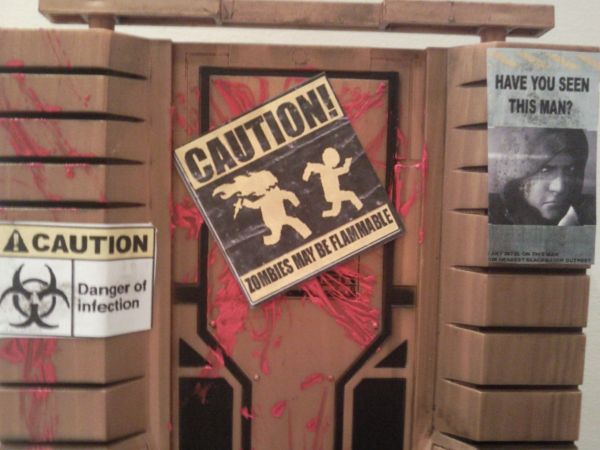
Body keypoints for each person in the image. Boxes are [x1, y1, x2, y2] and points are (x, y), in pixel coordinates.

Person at [489, 127, 595, 225]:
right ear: (517, 175)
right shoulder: (490, 217)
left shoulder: (587, 215)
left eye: (570, 170)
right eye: (545, 170)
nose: (560, 188)